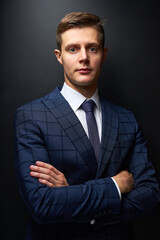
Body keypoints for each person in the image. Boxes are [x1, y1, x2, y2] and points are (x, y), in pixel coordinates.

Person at [14, 12, 160, 240]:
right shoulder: (30, 116)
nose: (84, 57)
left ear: (104, 54)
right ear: (59, 56)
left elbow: (150, 195)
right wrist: (114, 186)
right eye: (73, 49)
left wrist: (71, 194)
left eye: (92, 48)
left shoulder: (126, 118)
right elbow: (42, 204)